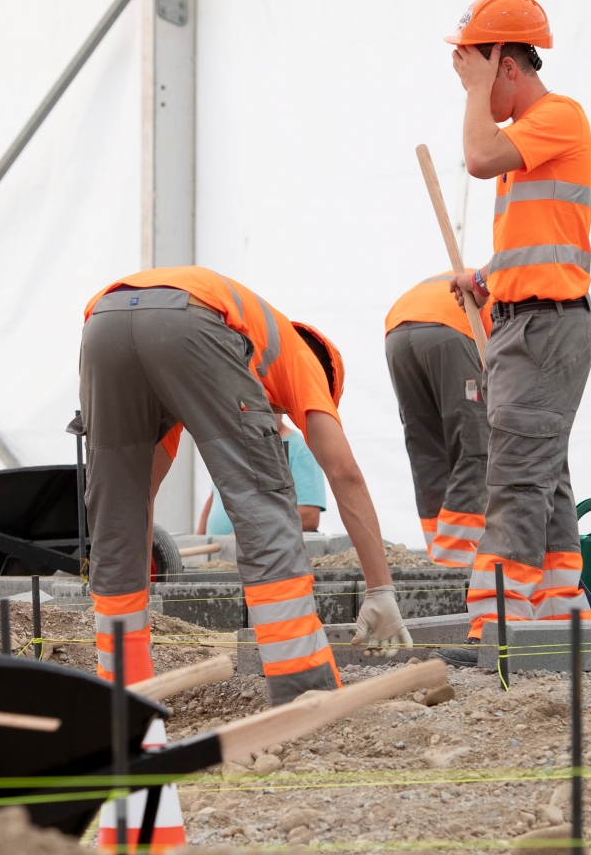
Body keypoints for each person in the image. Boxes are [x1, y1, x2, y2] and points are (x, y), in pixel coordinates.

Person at [77, 269, 410, 704]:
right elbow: (344, 471)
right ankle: (304, 692)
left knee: (117, 509)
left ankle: (125, 694)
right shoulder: (303, 357)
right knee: (262, 499)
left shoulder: (188, 380)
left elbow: (139, 501)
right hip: (191, 322)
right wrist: (381, 589)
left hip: (104, 320)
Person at [445, 0, 591, 630]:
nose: (474, 92)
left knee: (514, 478)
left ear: (510, 65)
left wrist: (474, 91)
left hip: (545, 328)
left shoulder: (558, 117)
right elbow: (543, 241)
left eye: (480, 71)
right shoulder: (533, 140)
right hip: (533, 321)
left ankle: (498, 626)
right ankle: (560, 612)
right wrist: (487, 277)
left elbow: (476, 159)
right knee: (544, 476)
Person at [383, 274, 487, 572]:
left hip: (397, 333)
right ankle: (456, 561)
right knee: (476, 447)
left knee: (426, 451)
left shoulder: (481, 276)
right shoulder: (510, 289)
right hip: (451, 328)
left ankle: (437, 555)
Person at [197, 411, 326, 534]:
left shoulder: (299, 448)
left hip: (261, 552)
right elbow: (217, 493)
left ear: (281, 407)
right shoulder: (234, 446)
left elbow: (309, 515)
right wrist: (200, 536)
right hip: (219, 551)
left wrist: (249, 535)